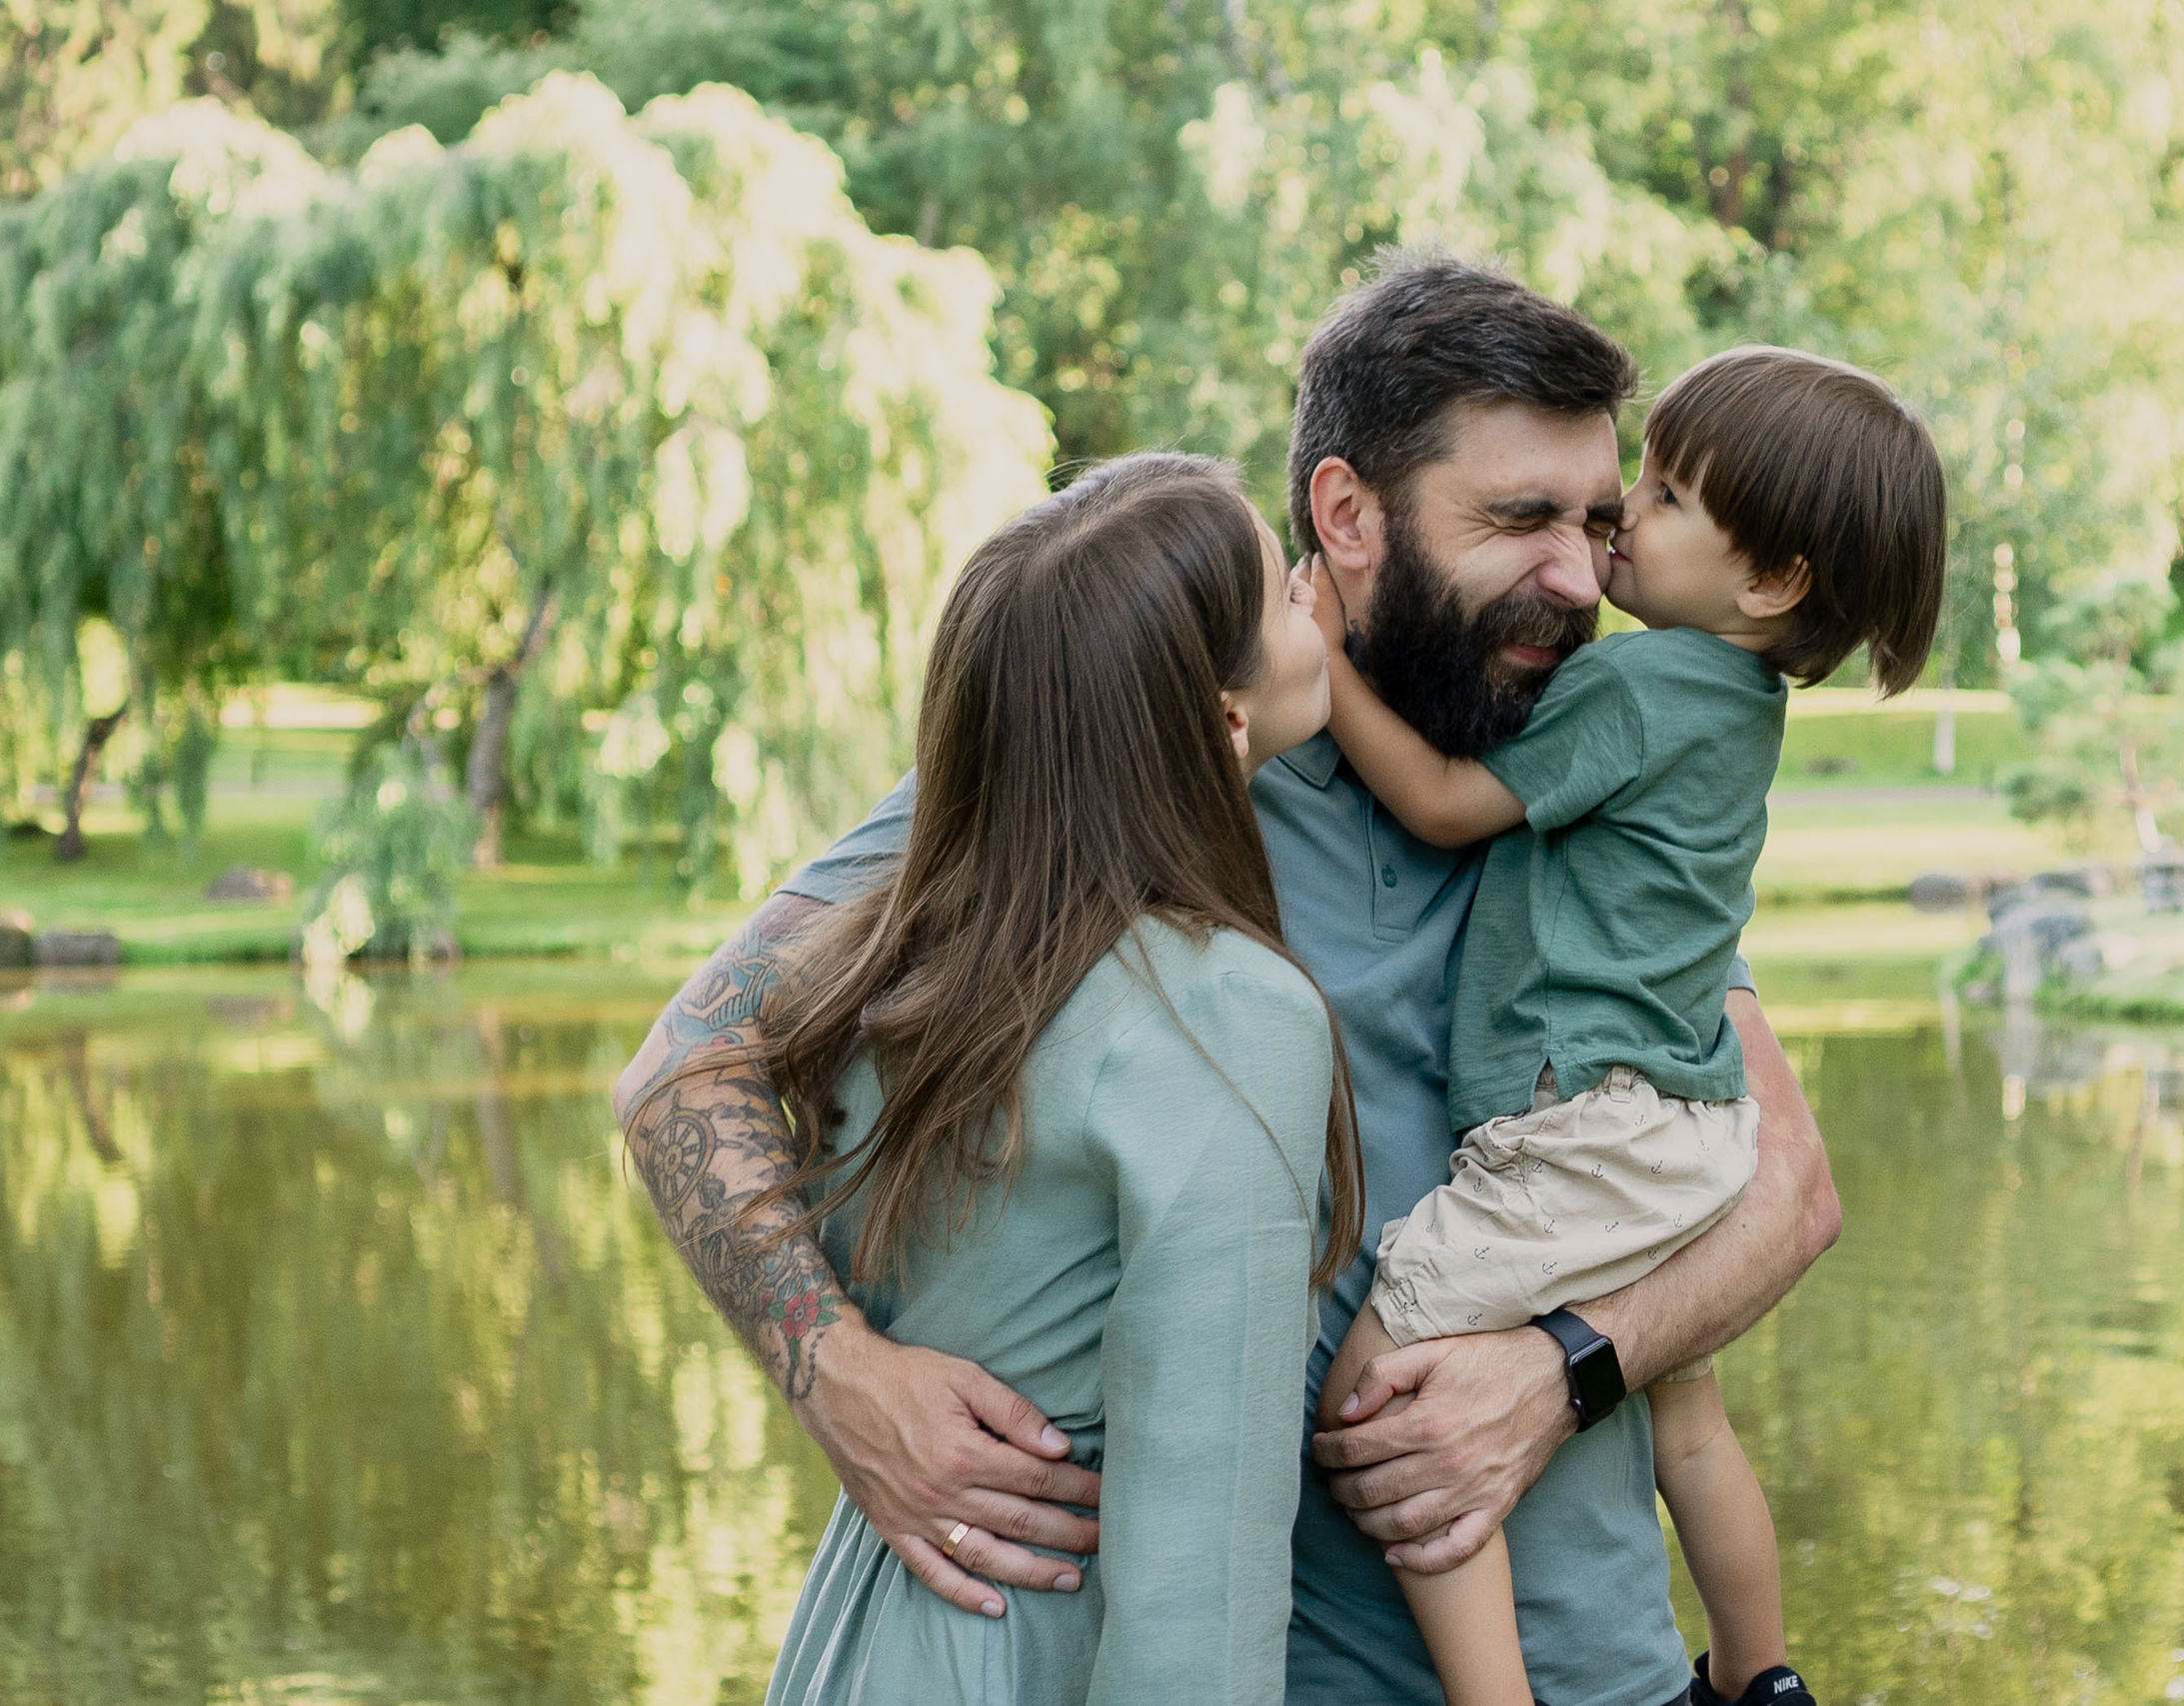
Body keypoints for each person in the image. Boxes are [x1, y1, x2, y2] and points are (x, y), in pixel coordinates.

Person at [615, 253, 1844, 1706]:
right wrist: (841, 1375)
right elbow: (688, 1065)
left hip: (1610, 1672)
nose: (1580, 576)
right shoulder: (1116, 757)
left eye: (1595, 517)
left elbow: (1785, 1186)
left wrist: (1561, 1369)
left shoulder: (1592, 774)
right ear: (1344, 512)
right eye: (1518, 520)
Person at [633, 453, 1360, 1703]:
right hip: (1035, 1642)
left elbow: (682, 1068)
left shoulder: (889, 956)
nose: (1316, 588)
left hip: (869, 1635)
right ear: (1223, 725)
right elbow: (1199, 1598)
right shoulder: (1230, 1019)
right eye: (1285, 599)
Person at [1309, 345, 1948, 1706]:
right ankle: (1761, 1669)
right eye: (1543, 515)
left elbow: (1439, 799)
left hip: (1581, 1119)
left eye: (1651, 502)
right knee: (1690, 1416)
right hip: (1684, 1118)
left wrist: (1318, 650)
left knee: (1387, 1398)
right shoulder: (1740, 705)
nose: (1610, 539)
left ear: (1770, 581)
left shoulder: (1632, 690)